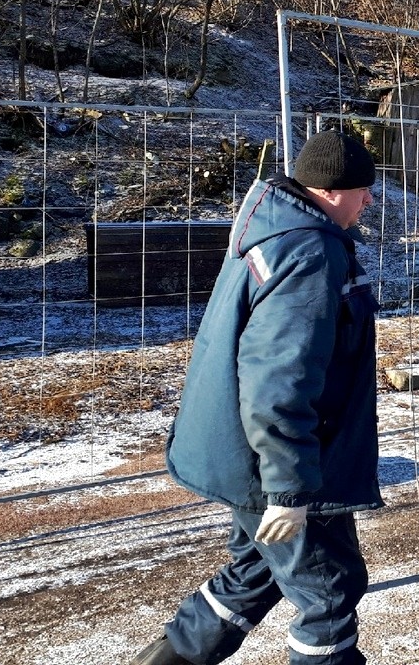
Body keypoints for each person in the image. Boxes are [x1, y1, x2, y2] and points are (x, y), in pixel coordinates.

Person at [131, 130, 381, 665]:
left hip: (241, 449)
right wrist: (288, 490)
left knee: (256, 571)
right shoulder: (311, 251)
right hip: (275, 464)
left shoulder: (277, 233)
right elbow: (278, 379)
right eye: (363, 190)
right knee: (329, 593)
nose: (368, 201)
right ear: (334, 190)